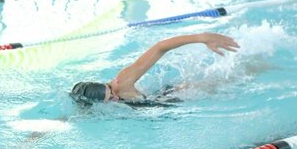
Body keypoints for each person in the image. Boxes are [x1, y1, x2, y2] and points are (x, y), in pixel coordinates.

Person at [70, 32, 240, 106]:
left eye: (110, 91)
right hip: (157, 106)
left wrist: (202, 38)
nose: (115, 97)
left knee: (229, 81)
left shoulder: (121, 84)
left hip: (174, 96)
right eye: (110, 99)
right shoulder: (90, 107)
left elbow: (160, 47)